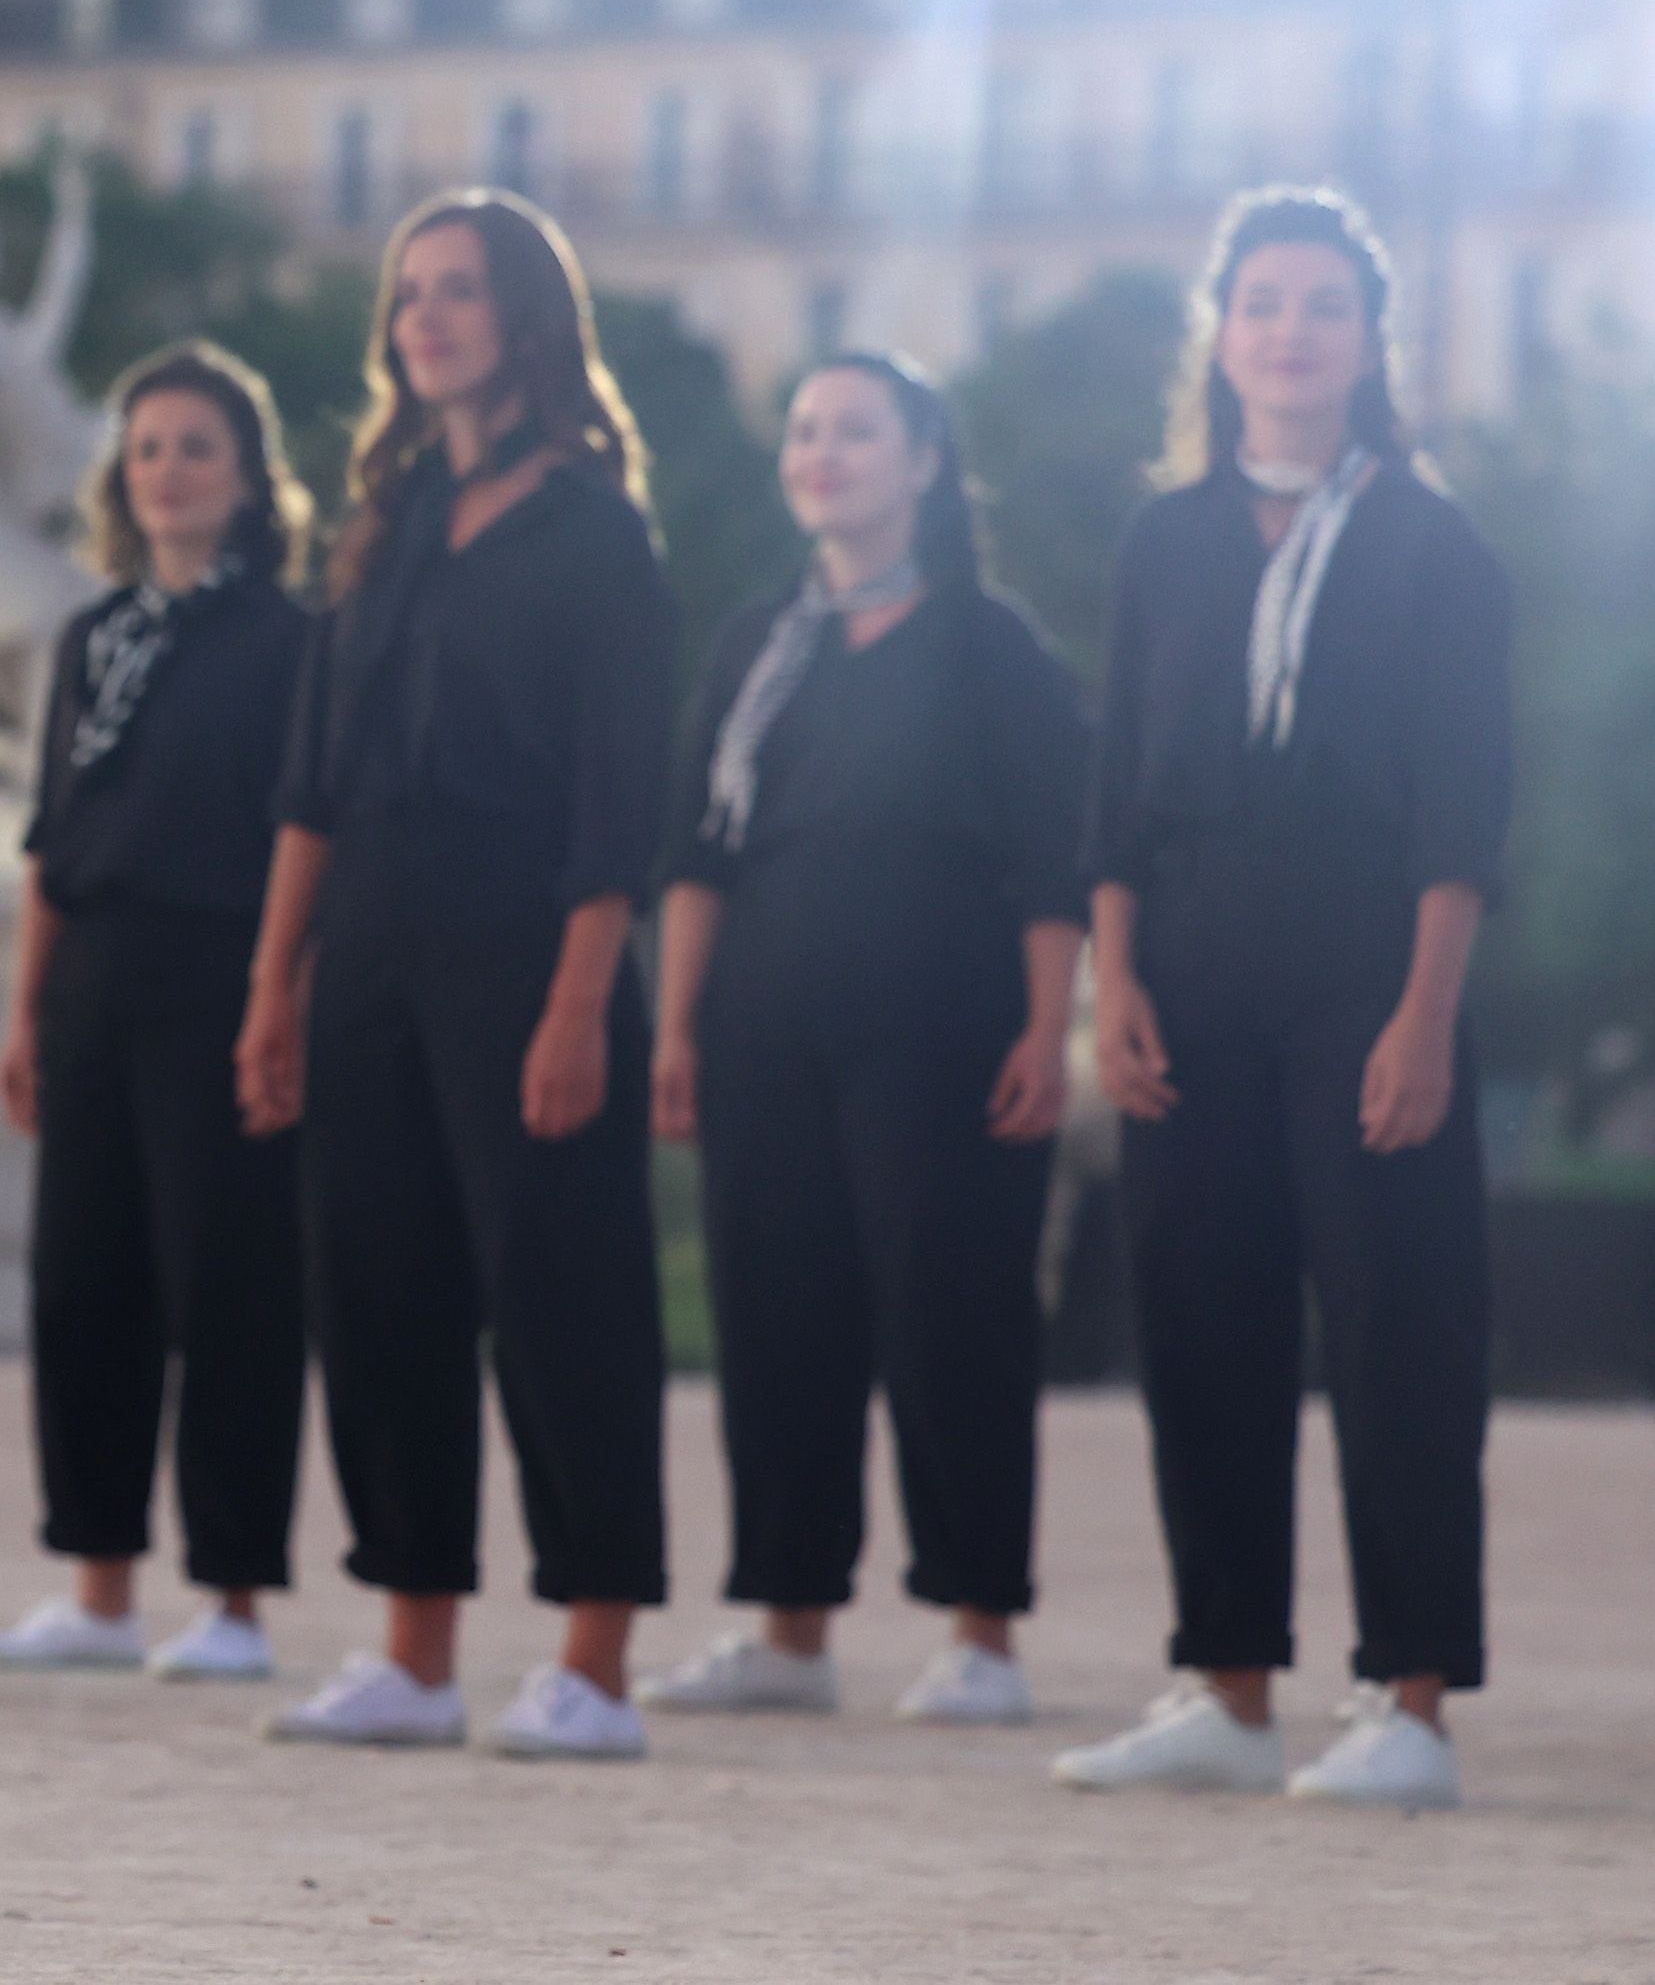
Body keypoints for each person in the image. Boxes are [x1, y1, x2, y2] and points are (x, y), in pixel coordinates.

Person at [1053, 188, 1509, 1813]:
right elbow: (1116, 782)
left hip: (1366, 966)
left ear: (1370, 342)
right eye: (1264, 304)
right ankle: (1227, 1684)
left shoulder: (1435, 542)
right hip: (1188, 959)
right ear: (1223, 336)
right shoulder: (1162, 537)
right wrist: (1114, 978)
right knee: (1202, 1322)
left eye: (1325, 305)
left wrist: (1425, 1009)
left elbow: (1466, 803)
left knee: (1399, 1325)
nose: (1293, 331)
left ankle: (1410, 1701)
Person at [237, 190, 674, 1763]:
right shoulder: (389, 525)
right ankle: (413, 1651)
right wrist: (274, 983)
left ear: (528, 321)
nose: (427, 317)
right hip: (368, 951)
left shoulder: (596, 530)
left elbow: (623, 796)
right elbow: (311, 783)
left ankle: (595, 1661)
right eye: (409, 293)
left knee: (564, 1297)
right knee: (377, 1294)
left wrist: (576, 1003)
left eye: (461, 291)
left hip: (527, 948)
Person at [636, 356, 1084, 1731]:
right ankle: (788, 1623)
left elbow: (1053, 865)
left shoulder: (993, 645)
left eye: (857, 429)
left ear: (926, 460)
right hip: (764, 1031)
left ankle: (980, 1629)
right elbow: (699, 855)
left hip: (946, 1034)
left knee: (951, 1318)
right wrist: (674, 1027)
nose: (824, 452)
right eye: (807, 429)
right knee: (776, 1321)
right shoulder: (759, 646)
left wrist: (1046, 1029)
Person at [0, 342, 317, 1685]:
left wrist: (276, 993)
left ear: (246, 480)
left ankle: (232, 1597)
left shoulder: (294, 642)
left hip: (220, 976)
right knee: (80, 1282)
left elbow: (308, 828)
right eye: (149, 445)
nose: (167, 469)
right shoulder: (90, 637)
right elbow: (51, 838)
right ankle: (99, 1583)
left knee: (226, 1286)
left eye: (197, 447)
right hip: (91, 982)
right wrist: (23, 1013)